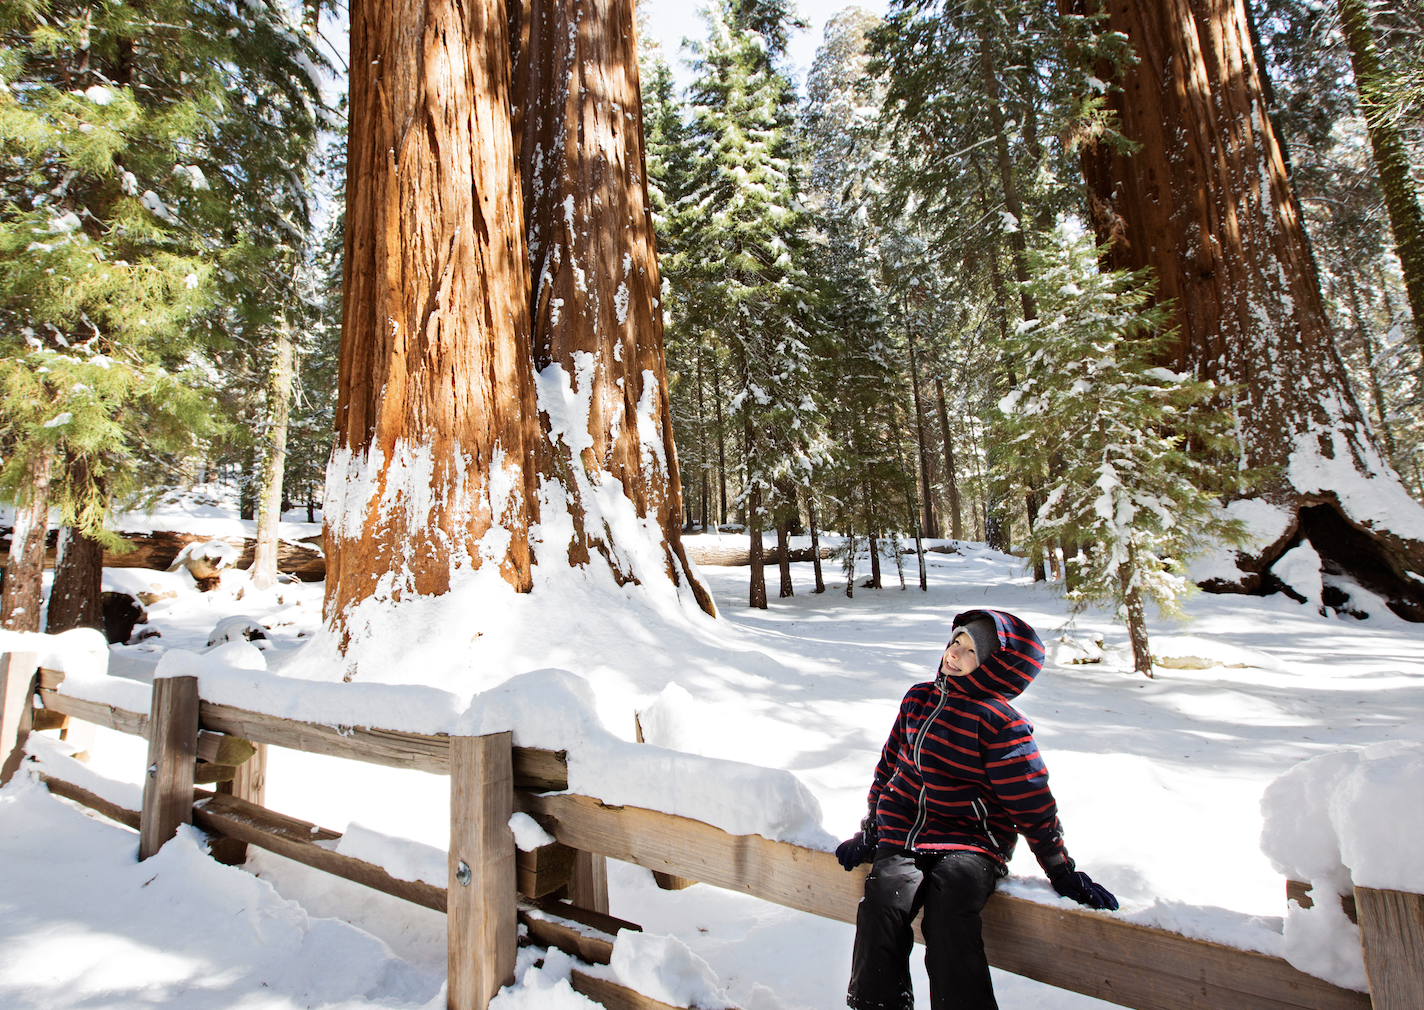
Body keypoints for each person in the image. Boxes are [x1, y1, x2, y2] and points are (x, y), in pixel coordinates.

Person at [837, 609, 1117, 1010]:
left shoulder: (999, 721)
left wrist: (1059, 867)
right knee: (882, 905)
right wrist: (871, 829)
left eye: (970, 651)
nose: (954, 653)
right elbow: (889, 767)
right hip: (905, 835)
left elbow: (1030, 798)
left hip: (971, 843)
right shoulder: (918, 699)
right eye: (956, 642)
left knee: (948, 916)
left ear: (992, 666)